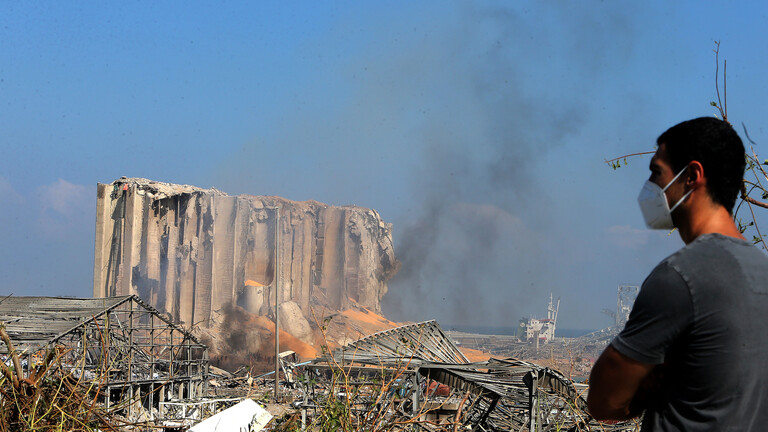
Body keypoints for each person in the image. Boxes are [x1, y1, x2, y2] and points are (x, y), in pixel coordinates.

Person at [587, 117, 768, 431]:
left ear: (692, 176)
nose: (651, 187)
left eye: (657, 172)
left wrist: (651, 380)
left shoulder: (681, 276)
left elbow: (604, 401)